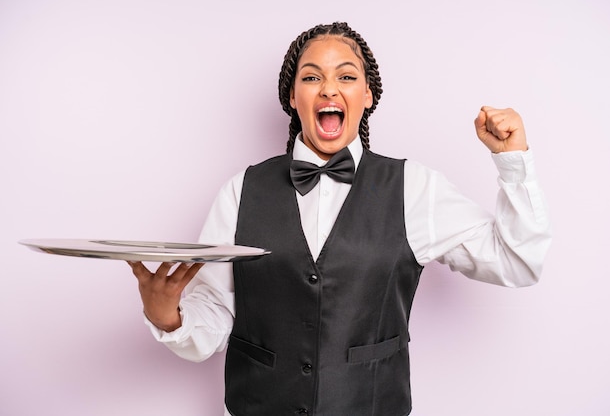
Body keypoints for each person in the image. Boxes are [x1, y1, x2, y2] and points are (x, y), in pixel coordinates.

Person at [127, 21, 551, 416]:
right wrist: (169, 317)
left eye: (346, 76)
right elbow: (215, 316)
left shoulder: (416, 188)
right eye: (312, 77)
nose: (329, 89)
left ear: (367, 95)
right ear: (292, 97)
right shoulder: (242, 190)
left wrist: (513, 161)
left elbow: (517, 261)